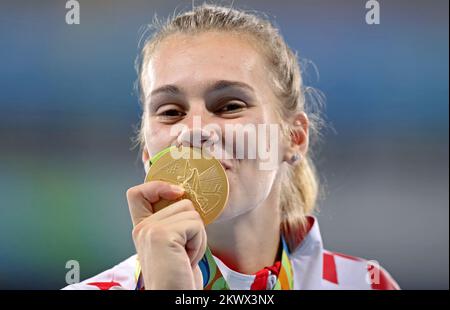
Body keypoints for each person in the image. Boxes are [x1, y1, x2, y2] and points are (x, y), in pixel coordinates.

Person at [64, 4, 399, 290]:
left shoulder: (365, 283)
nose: (194, 131)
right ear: (148, 153)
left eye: (229, 106)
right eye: (171, 112)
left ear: (293, 137)